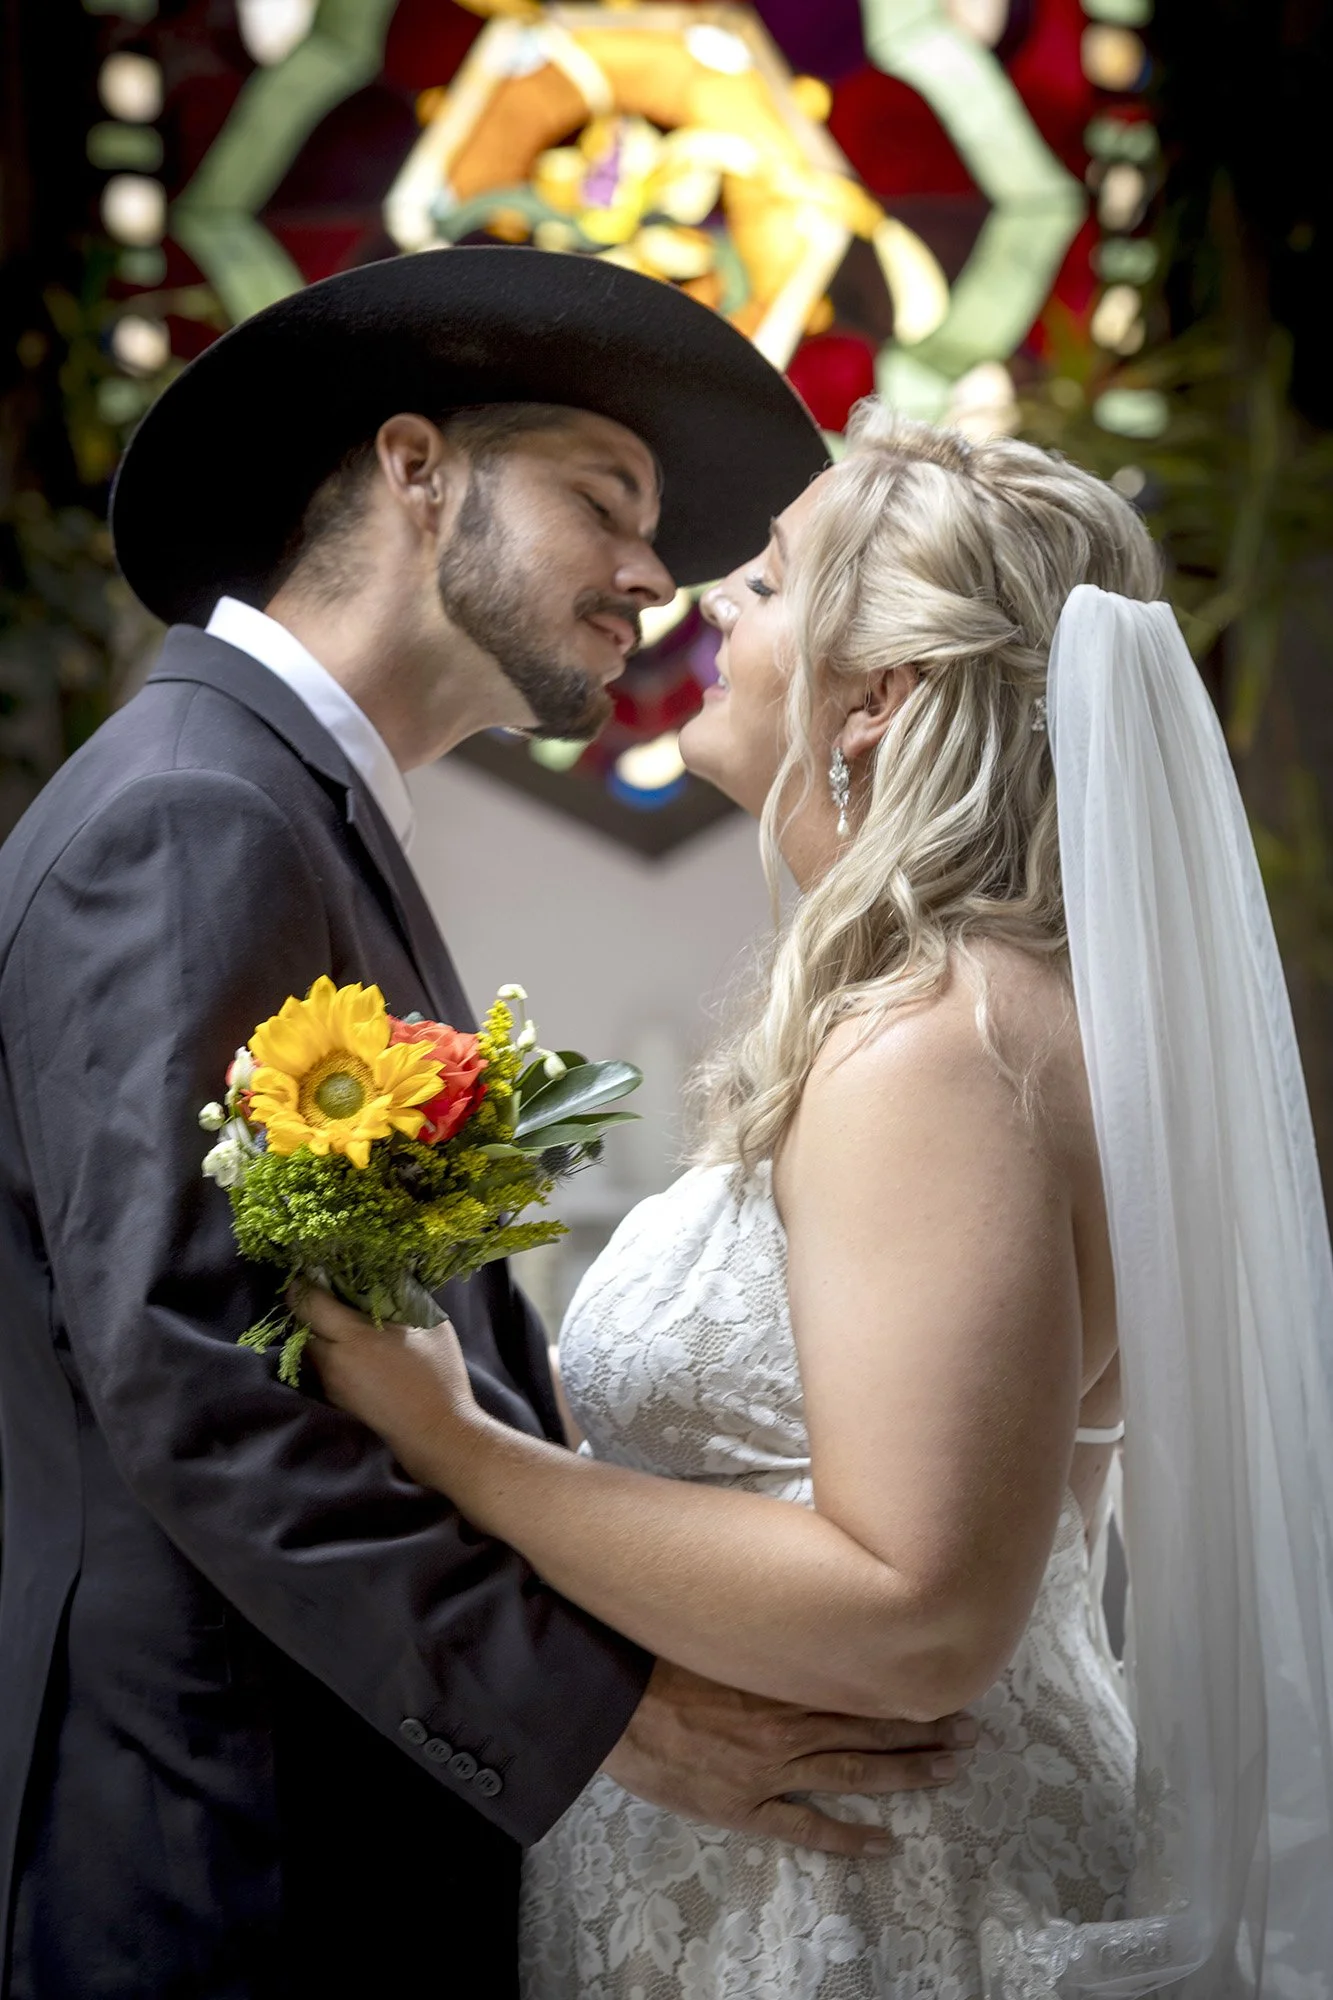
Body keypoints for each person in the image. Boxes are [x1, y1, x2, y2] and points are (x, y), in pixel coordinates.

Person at [0, 255, 971, 2000]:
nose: (654, 578)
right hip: (218, 1844)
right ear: (416, 468)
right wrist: (607, 1724)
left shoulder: (288, 810)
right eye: (608, 500)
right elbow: (193, 1371)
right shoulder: (195, 820)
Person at [300, 403, 1333, 1998]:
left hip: (861, 1899)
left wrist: (458, 1446)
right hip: (812, 1852)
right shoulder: (992, 1007)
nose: (714, 602)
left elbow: (920, 1612)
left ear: (881, 694)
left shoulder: (934, 1048)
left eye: (772, 583)